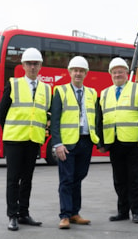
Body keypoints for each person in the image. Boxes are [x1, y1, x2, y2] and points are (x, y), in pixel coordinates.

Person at [0, 47, 51, 231]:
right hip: (14, 140)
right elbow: (1, 113)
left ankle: (24, 213)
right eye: (29, 64)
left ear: (40, 66)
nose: (32, 67)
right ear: (23, 65)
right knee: (13, 179)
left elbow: (46, 113)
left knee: (27, 179)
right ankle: (12, 215)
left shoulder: (46, 88)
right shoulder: (13, 84)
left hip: (33, 140)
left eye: (36, 64)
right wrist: (10, 133)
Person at [97, 57, 138, 224]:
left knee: (134, 178)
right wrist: (100, 143)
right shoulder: (105, 93)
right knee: (119, 179)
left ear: (127, 73)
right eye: (114, 72)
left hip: (133, 142)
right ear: (110, 74)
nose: (117, 74)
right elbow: (99, 119)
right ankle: (122, 211)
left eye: (120, 71)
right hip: (113, 142)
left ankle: (136, 212)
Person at [50, 56, 100, 229]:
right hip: (67, 144)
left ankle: (74, 213)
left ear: (86, 73)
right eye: (75, 70)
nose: (78, 73)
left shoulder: (92, 93)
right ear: (70, 72)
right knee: (66, 179)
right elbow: (54, 120)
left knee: (78, 178)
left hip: (86, 142)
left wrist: (99, 140)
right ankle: (64, 215)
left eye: (81, 70)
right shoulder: (60, 91)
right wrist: (57, 144)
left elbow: (97, 118)